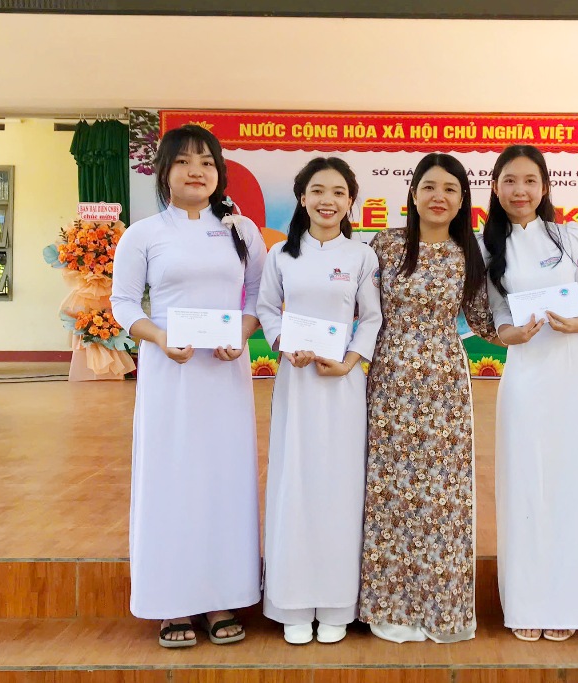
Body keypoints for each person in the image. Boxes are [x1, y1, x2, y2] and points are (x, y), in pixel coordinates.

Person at [110, 124, 267, 648]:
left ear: (219, 172)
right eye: (183, 161)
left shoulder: (242, 232)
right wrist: (158, 337)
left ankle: (221, 596)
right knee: (171, 478)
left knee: (225, 479)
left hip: (224, 375)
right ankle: (171, 602)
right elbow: (123, 302)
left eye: (206, 161)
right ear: (164, 172)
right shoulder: (143, 234)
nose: (196, 171)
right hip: (170, 375)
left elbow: (257, 297)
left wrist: (241, 334)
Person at [358, 153, 499, 644]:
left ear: (463, 201)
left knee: (443, 494)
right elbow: (358, 308)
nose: (440, 197)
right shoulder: (385, 245)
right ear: (413, 194)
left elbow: (483, 322)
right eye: (430, 187)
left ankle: (441, 608)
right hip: (389, 381)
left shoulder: (469, 254)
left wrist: (537, 325)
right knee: (390, 490)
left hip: (444, 386)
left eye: (451, 189)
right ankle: (389, 607)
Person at [481, 144, 578, 642]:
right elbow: (496, 314)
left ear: (544, 187)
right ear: (496, 188)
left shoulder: (568, 235)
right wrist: (509, 334)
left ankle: (572, 600)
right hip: (525, 372)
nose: (520, 191)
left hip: (574, 369)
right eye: (510, 181)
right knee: (526, 481)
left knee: (574, 479)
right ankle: (529, 601)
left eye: (530, 181)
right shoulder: (487, 247)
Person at [257, 157, 382, 645]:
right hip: (297, 380)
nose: (327, 201)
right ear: (302, 197)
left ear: (350, 201)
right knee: (295, 480)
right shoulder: (281, 256)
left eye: (338, 192)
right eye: (317, 191)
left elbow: (371, 318)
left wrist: (350, 361)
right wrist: (283, 344)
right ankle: (291, 601)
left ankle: (336, 604)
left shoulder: (361, 257)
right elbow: (266, 308)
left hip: (342, 384)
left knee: (340, 485)